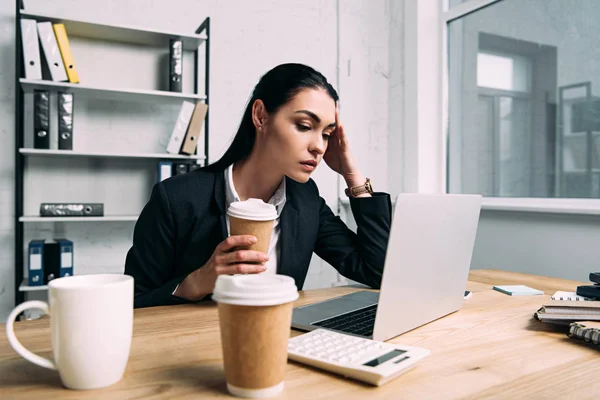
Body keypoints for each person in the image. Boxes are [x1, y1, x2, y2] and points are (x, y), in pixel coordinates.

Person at [124, 63, 392, 308]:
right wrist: (194, 284)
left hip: (275, 345)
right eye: (304, 125)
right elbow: (133, 303)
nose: (319, 146)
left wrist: (352, 176)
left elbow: (376, 272)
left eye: (327, 134)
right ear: (261, 116)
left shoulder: (304, 199)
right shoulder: (177, 199)